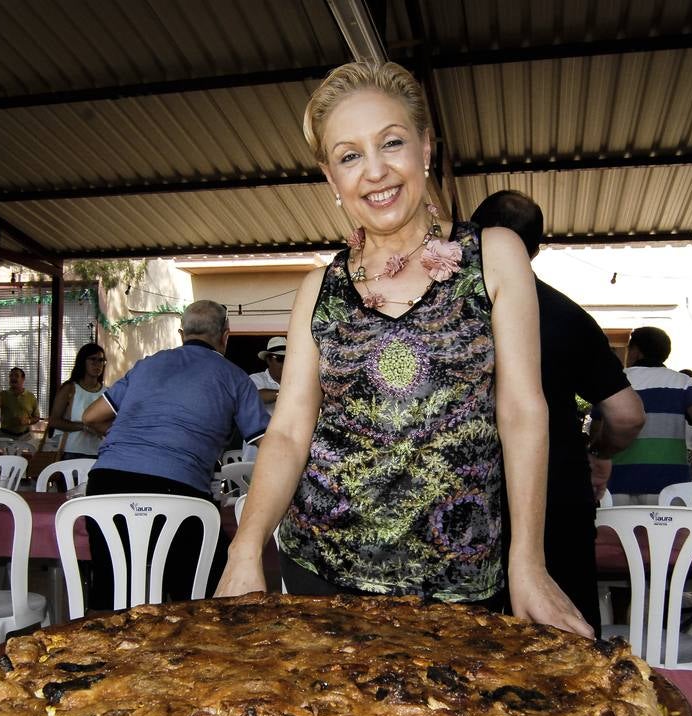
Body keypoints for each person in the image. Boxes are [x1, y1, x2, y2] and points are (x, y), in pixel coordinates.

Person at [216, 61, 592, 636]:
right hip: (322, 568)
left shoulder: (493, 254)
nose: (374, 171)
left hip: (460, 577)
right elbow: (290, 430)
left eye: (391, 143)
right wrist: (246, 548)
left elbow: (521, 410)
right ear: (331, 178)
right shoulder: (319, 287)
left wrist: (529, 562)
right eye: (349, 156)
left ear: (425, 147)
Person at [470, 190, 644, 633]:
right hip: (554, 495)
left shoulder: (444, 309)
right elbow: (626, 415)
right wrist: (598, 449)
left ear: (472, 236)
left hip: (461, 505)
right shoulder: (567, 315)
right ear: (535, 248)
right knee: (564, 645)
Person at [80, 301, 268, 607]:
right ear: (225, 336)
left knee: (113, 593)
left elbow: (91, 417)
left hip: (105, 486)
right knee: (205, 595)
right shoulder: (236, 378)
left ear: (182, 334)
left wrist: (128, 440)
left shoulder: (147, 365)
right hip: (179, 493)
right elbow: (268, 442)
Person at [606, 327, 692, 504]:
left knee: (620, 531)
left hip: (618, 481)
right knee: (667, 532)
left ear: (636, 351)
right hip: (670, 485)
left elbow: (599, 426)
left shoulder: (616, 381)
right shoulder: (682, 383)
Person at [48, 343, 107, 460]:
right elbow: (54, 421)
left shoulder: (107, 392)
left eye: (101, 360)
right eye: (93, 359)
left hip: (99, 452)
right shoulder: (70, 388)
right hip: (72, 452)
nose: (97, 364)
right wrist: (84, 427)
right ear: (83, 361)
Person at [0, 366, 40, 439]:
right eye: (11, 376)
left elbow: (36, 417)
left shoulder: (31, 397)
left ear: (23, 379)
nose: (13, 378)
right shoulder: (1, 395)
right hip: (5, 435)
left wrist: (28, 421)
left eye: (16, 375)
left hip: (25, 437)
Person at [250, 336, 286, 414]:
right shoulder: (256, 378)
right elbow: (254, 396)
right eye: (280, 359)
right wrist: (285, 393)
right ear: (268, 360)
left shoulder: (296, 381)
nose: (285, 364)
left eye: (287, 359)